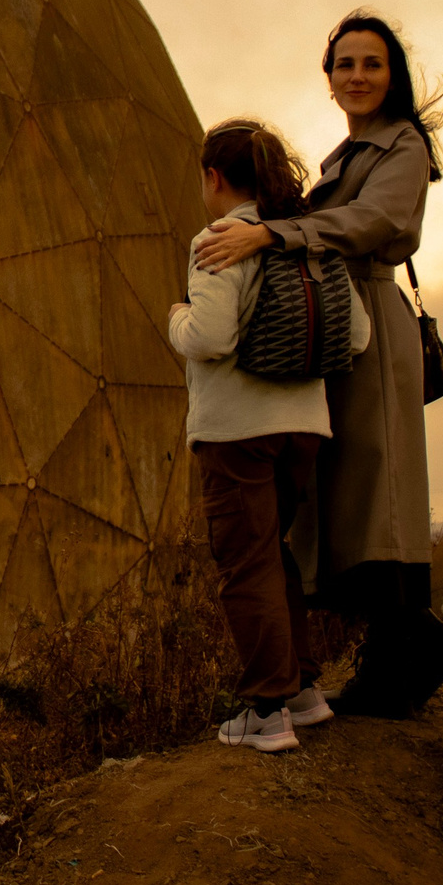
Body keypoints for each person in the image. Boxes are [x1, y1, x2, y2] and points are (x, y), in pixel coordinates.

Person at [192, 12, 443, 716]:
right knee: (352, 495)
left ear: (393, 75)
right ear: (329, 77)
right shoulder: (349, 153)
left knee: (380, 492)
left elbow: (375, 224)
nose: (357, 76)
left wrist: (272, 233)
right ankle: (394, 652)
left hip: (372, 321)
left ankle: (407, 651)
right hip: (346, 327)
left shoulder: (401, 146)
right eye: (345, 64)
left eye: (371, 64)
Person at [169, 119, 372, 753]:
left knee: (243, 565)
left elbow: (209, 338)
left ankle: (265, 712)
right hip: (304, 428)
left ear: (214, 176)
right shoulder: (305, 240)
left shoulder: (220, 240)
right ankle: (303, 694)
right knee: (271, 554)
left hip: (236, 432)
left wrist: (175, 318)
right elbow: (357, 336)